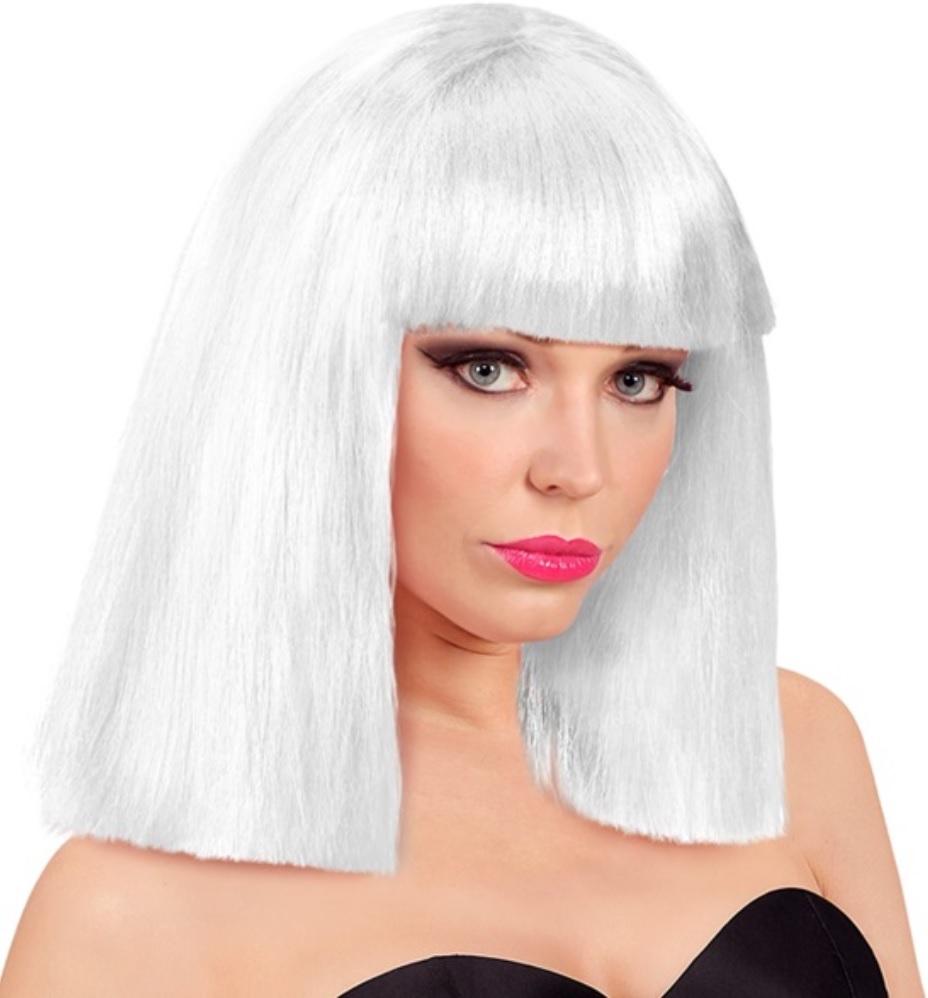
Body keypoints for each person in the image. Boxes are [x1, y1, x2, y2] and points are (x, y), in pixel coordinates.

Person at [0, 3, 923, 995]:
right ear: (309, 380)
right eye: (489, 368)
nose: (578, 467)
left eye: (636, 378)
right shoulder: (126, 911)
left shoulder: (786, 746)